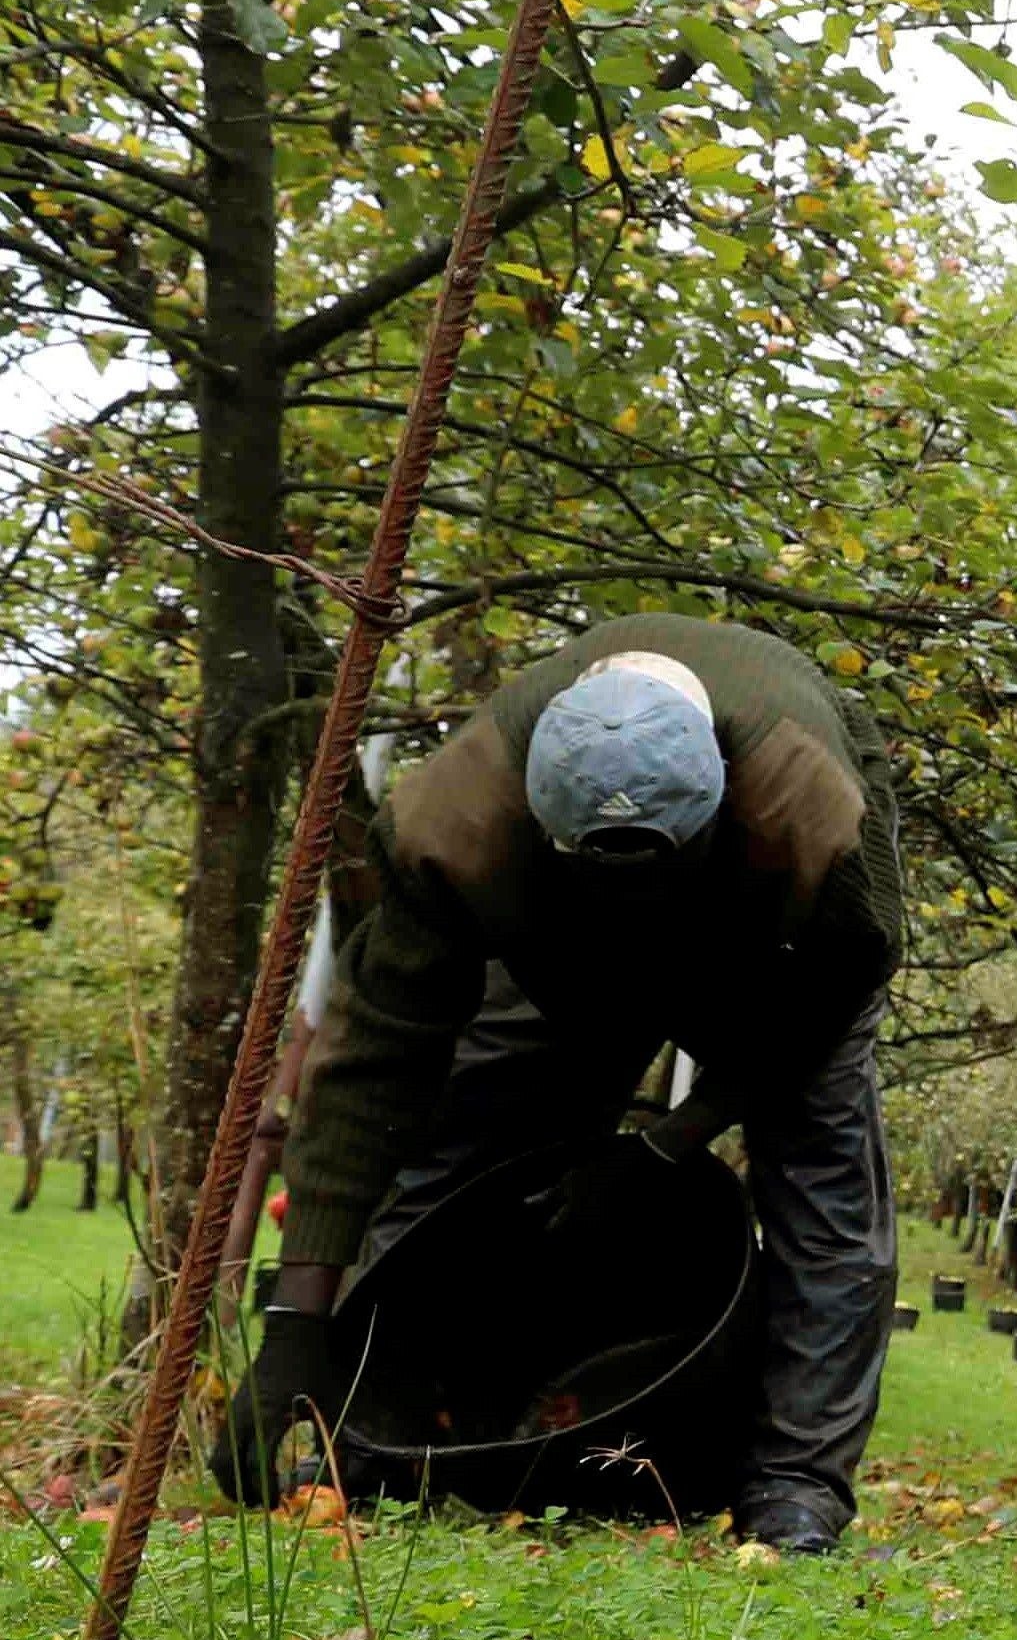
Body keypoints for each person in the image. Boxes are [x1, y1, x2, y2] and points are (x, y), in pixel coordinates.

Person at [211, 615, 903, 1551]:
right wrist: (298, 1322)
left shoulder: (813, 814)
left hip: (771, 962)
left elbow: (831, 999)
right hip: (555, 955)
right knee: (459, 1148)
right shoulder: (446, 830)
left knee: (826, 1188)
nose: (638, 912)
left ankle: (795, 1487)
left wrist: (672, 1139)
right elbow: (375, 1070)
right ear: (539, 824)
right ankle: (387, 1432)